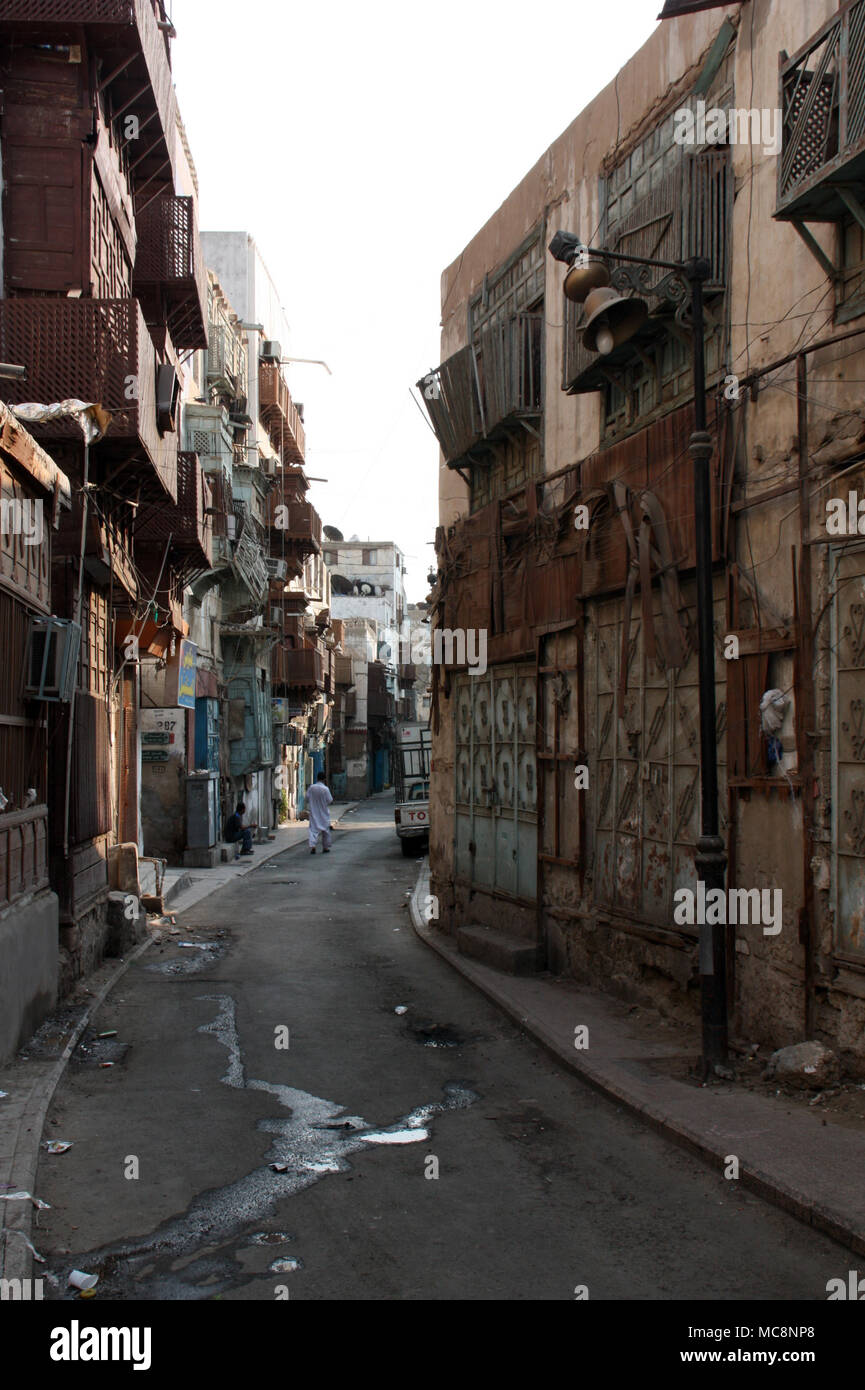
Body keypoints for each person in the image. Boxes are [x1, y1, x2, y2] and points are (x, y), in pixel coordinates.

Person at [306, 772, 333, 854]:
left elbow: (307, 798)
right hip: (324, 812)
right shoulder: (325, 789)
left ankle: (313, 846)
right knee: (325, 831)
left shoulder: (311, 788)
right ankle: (325, 847)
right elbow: (330, 800)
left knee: (313, 830)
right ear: (324, 779)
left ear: (317, 778)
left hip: (314, 812)